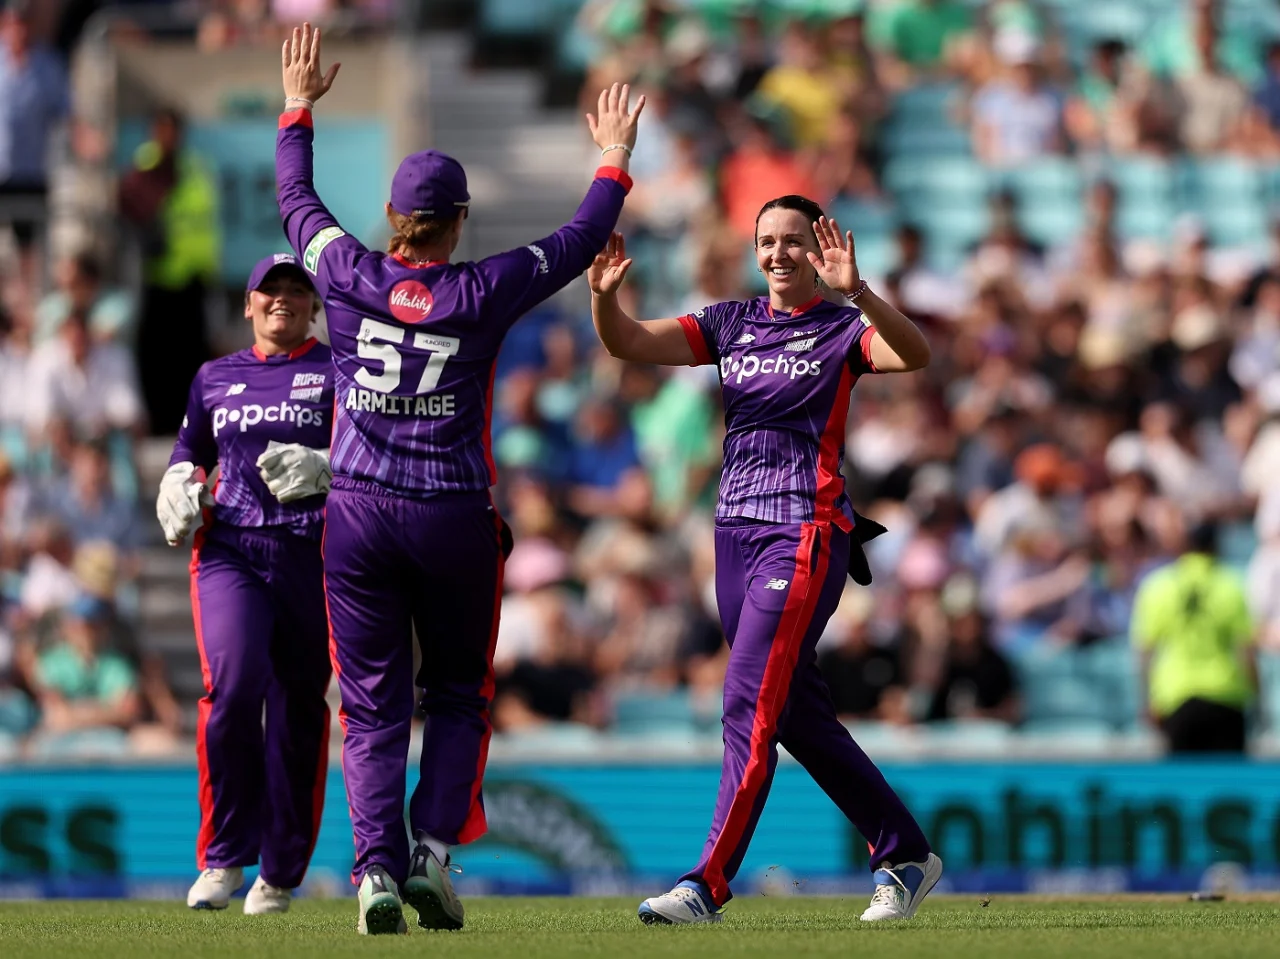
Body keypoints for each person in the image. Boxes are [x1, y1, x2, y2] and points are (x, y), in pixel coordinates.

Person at [275, 23, 641, 935]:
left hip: (356, 512)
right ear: (461, 218)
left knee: (368, 706)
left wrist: (298, 108)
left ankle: (372, 875)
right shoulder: (486, 289)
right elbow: (581, 236)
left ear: (395, 217)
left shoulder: (348, 273)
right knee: (458, 696)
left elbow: (294, 200)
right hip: (451, 516)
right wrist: (613, 160)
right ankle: (432, 856)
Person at [587, 198, 939, 923]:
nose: (778, 253)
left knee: (746, 703)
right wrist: (603, 298)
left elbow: (915, 353)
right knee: (794, 716)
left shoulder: (843, 328)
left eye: (793, 241)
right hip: (733, 537)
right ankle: (904, 851)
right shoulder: (729, 324)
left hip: (804, 532)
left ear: (820, 249)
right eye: (767, 241)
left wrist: (861, 292)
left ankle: (705, 883)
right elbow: (626, 344)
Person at [157, 252, 334, 915]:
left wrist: (327, 464)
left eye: (296, 289)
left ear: (314, 305)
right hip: (230, 546)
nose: (282, 299)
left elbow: (370, 450)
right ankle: (224, 854)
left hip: (314, 553)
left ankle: (282, 871)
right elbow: (187, 453)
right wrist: (176, 482)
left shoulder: (337, 370)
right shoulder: (213, 376)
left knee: (296, 709)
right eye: (270, 290)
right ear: (247, 303)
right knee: (230, 690)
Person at [1132, 521, 1258, 753]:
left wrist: (1148, 700)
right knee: (1230, 785)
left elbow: (1145, 651)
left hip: (1175, 695)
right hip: (1225, 693)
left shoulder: (1158, 585)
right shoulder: (1231, 585)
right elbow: (1246, 650)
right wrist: (1257, 696)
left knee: (1182, 783)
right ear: (1215, 547)